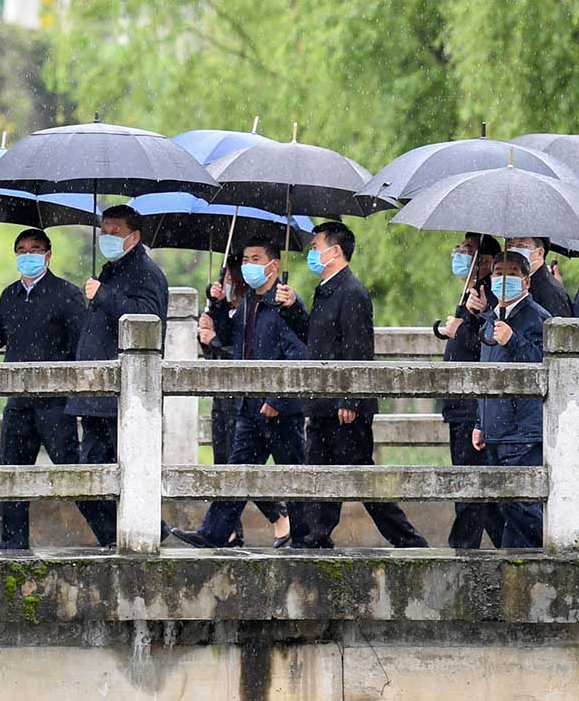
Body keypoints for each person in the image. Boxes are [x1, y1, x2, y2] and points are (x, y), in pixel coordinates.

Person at [277, 222, 428, 549]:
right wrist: (293, 309)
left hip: (345, 407)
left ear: (335, 251)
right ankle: (317, 539)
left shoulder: (352, 292)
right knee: (318, 472)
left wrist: (350, 398)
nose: (312, 253)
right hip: (321, 402)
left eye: (316, 246)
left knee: (362, 479)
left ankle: (409, 542)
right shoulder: (326, 289)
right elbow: (317, 340)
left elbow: (358, 351)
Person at [170, 237, 311, 549]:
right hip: (248, 406)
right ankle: (214, 532)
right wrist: (217, 304)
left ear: (273, 266)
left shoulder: (283, 305)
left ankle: (306, 537)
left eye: (256, 259)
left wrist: (277, 400)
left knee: (295, 473)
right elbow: (232, 342)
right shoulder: (248, 303)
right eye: (246, 259)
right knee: (236, 471)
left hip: (279, 411)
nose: (249, 265)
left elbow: (298, 355)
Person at [0, 227, 91, 551]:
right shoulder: (10, 294)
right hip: (18, 401)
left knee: (72, 474)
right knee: (11, 475)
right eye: (22, 250)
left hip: (55, 403)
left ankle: (111, 532)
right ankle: (13, 545)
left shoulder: (66, 294)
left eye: (35, 250)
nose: (29, 256)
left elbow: (80, 342)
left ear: (48, 255)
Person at [67, 204, 169, 547]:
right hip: (97, 393)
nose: (107, 237)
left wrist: (104, 295)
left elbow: (148, 319)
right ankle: (125, 535)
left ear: (134, 236)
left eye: (115, 231)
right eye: (104, 231)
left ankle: (134, 534)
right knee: (89, 480)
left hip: (122, 398)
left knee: (116, 474)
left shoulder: (145, 272)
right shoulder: (111, 270)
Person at [197, 254, 291, 548]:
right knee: (226, 462)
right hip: (223, 394)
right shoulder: (234, 308)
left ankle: (281, 517)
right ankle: (228, 530)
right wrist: (212, 317)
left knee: (241, 464)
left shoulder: (257, 307)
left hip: (245, 397)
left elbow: (237, 352)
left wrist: (213, 339)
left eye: (228, 280)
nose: (224, 284)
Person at [469, 248, 547, 549]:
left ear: (526, 282)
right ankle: (518, 576)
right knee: (507, 509)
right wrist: (480, 420)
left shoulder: (538, 318)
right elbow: (487, 374)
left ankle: (564, 556)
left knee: (523, 506)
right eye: (499, 272)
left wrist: (513, 341)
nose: (504, 279)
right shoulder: (491, 319)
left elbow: (545, 366)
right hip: (495, 430)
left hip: (523, 431)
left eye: (512, 274)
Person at [440, 232, 504, 549]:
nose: (460, 255)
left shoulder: (490, 298)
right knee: (473, 485)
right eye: (461, 249)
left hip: (473, 407)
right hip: (458, 403)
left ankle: (464, 547)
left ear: (487, 262)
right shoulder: (468, 293)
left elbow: (488, 346)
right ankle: (508, 542)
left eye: (468, 251)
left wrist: (464, 326)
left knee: (471, 482)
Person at [505, 236, 573, 317]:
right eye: (509, 245)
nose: (513, 250)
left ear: (540, 253)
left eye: (521, 245)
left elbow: (559, 328)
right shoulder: (512, 283)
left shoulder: (552, 292)